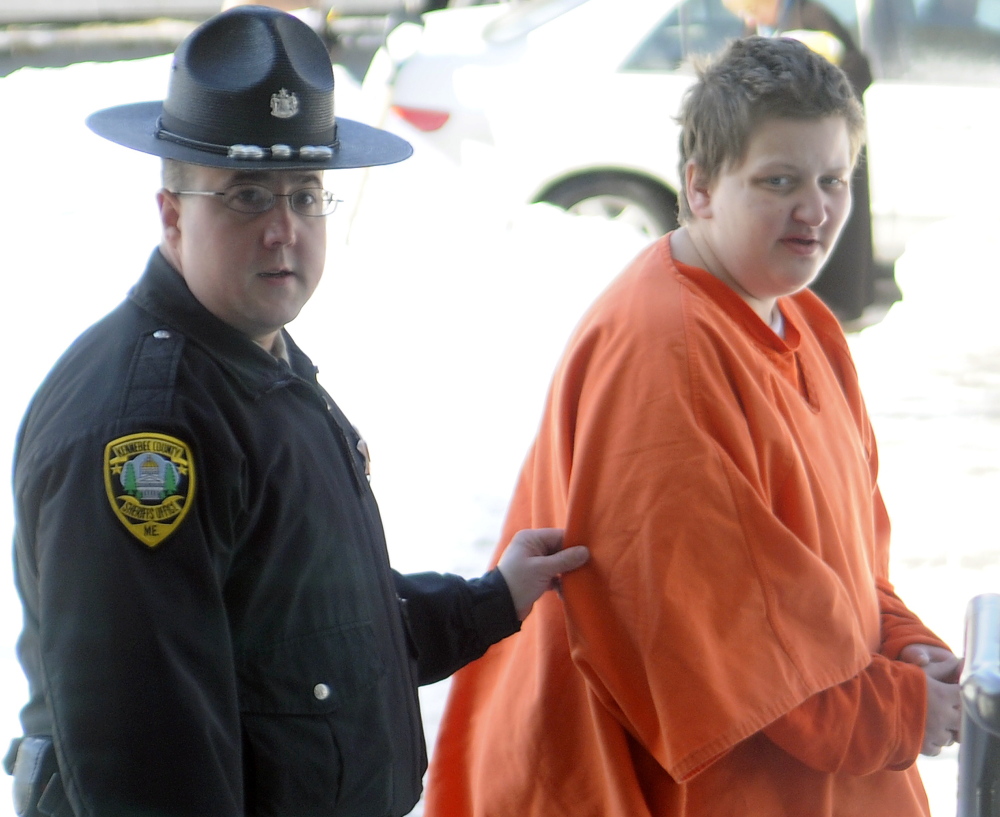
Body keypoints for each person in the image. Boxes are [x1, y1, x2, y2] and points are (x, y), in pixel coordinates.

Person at [3, 7, 588, 817]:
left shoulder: (251, 359)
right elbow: (148, 763)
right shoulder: (150, 429)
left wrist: (491, 599)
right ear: (172, 212)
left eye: (306, 195)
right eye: (247, 195)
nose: (284, 231)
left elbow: (307, 623)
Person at [424, 36, 960, 817]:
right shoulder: (664, 349)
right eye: (779, 181)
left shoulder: (803, 319)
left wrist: (910, 645)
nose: (815, 210)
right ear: (700, 187)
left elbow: (850, 562)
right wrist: (904, 709)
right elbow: (723, 643)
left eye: (833, 180)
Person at [724, 0, 879, 322]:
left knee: (819, 224)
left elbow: (855, 74)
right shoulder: (754, 25)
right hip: (778, 149)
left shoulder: (813, 18)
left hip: (820, 146)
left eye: (747, 7)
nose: (744, 14)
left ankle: (830, 307)